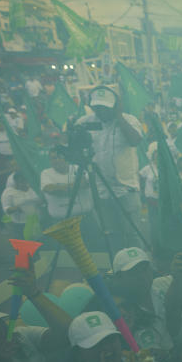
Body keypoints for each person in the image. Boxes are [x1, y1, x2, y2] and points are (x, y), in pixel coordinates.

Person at [74, 86, 144, 250]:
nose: (100, 111)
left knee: (133, 233)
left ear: (114, 105)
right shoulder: (85, 122)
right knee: (112, 233)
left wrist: (119, 116)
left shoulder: (129, 120)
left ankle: (140, 265)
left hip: (126, 188)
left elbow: (135, 140)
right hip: (99, 188)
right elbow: (74, 148)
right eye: (97, 107)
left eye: (105, 107)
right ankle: (119, 267)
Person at [39, 147, 92, 224]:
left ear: (66, 157)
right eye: (53, 158)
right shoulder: (45, 173)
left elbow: (86, 183)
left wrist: (61, 188)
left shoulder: (77, 168)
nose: (56, 160)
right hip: (62, 222)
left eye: (59, 157)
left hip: (86, 217)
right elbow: (49, 189)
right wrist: (75, 186)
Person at [1, 170, 42, 239]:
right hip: (20, 224)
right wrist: (19, 207)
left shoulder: (33, 188)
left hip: (35, 222)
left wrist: (39, 203)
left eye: (26, 181)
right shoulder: (8, 192)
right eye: (22, 182)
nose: (25, 184)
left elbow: (41, 201)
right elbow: (7, 209)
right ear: (16, 182)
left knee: (37, 243)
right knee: (25, 245)